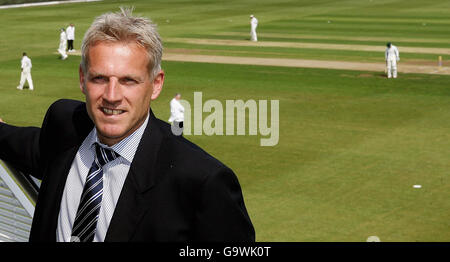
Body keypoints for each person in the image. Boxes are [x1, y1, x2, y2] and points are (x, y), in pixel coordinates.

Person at [0, 7, 254, 242]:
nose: (112, 95)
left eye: (128, 81)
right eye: (99, 78)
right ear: (82, 78)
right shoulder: (64, 123)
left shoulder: (202, 181)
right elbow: (27, 146)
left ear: (156, 84)